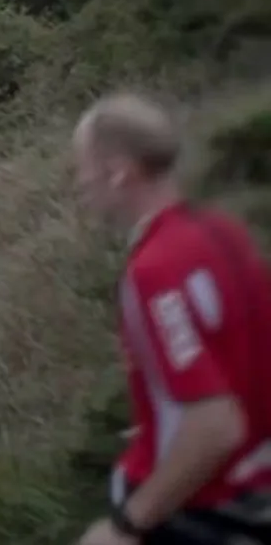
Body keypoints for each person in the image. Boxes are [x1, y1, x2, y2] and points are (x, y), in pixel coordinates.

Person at [70, 92, 271, 545]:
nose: (79, 181)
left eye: (83, 165)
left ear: (118, 171)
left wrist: (126, 526)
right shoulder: (225, 233)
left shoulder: (154, 270)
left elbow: (216, 425)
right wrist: (162, 415)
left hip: (204, 511)